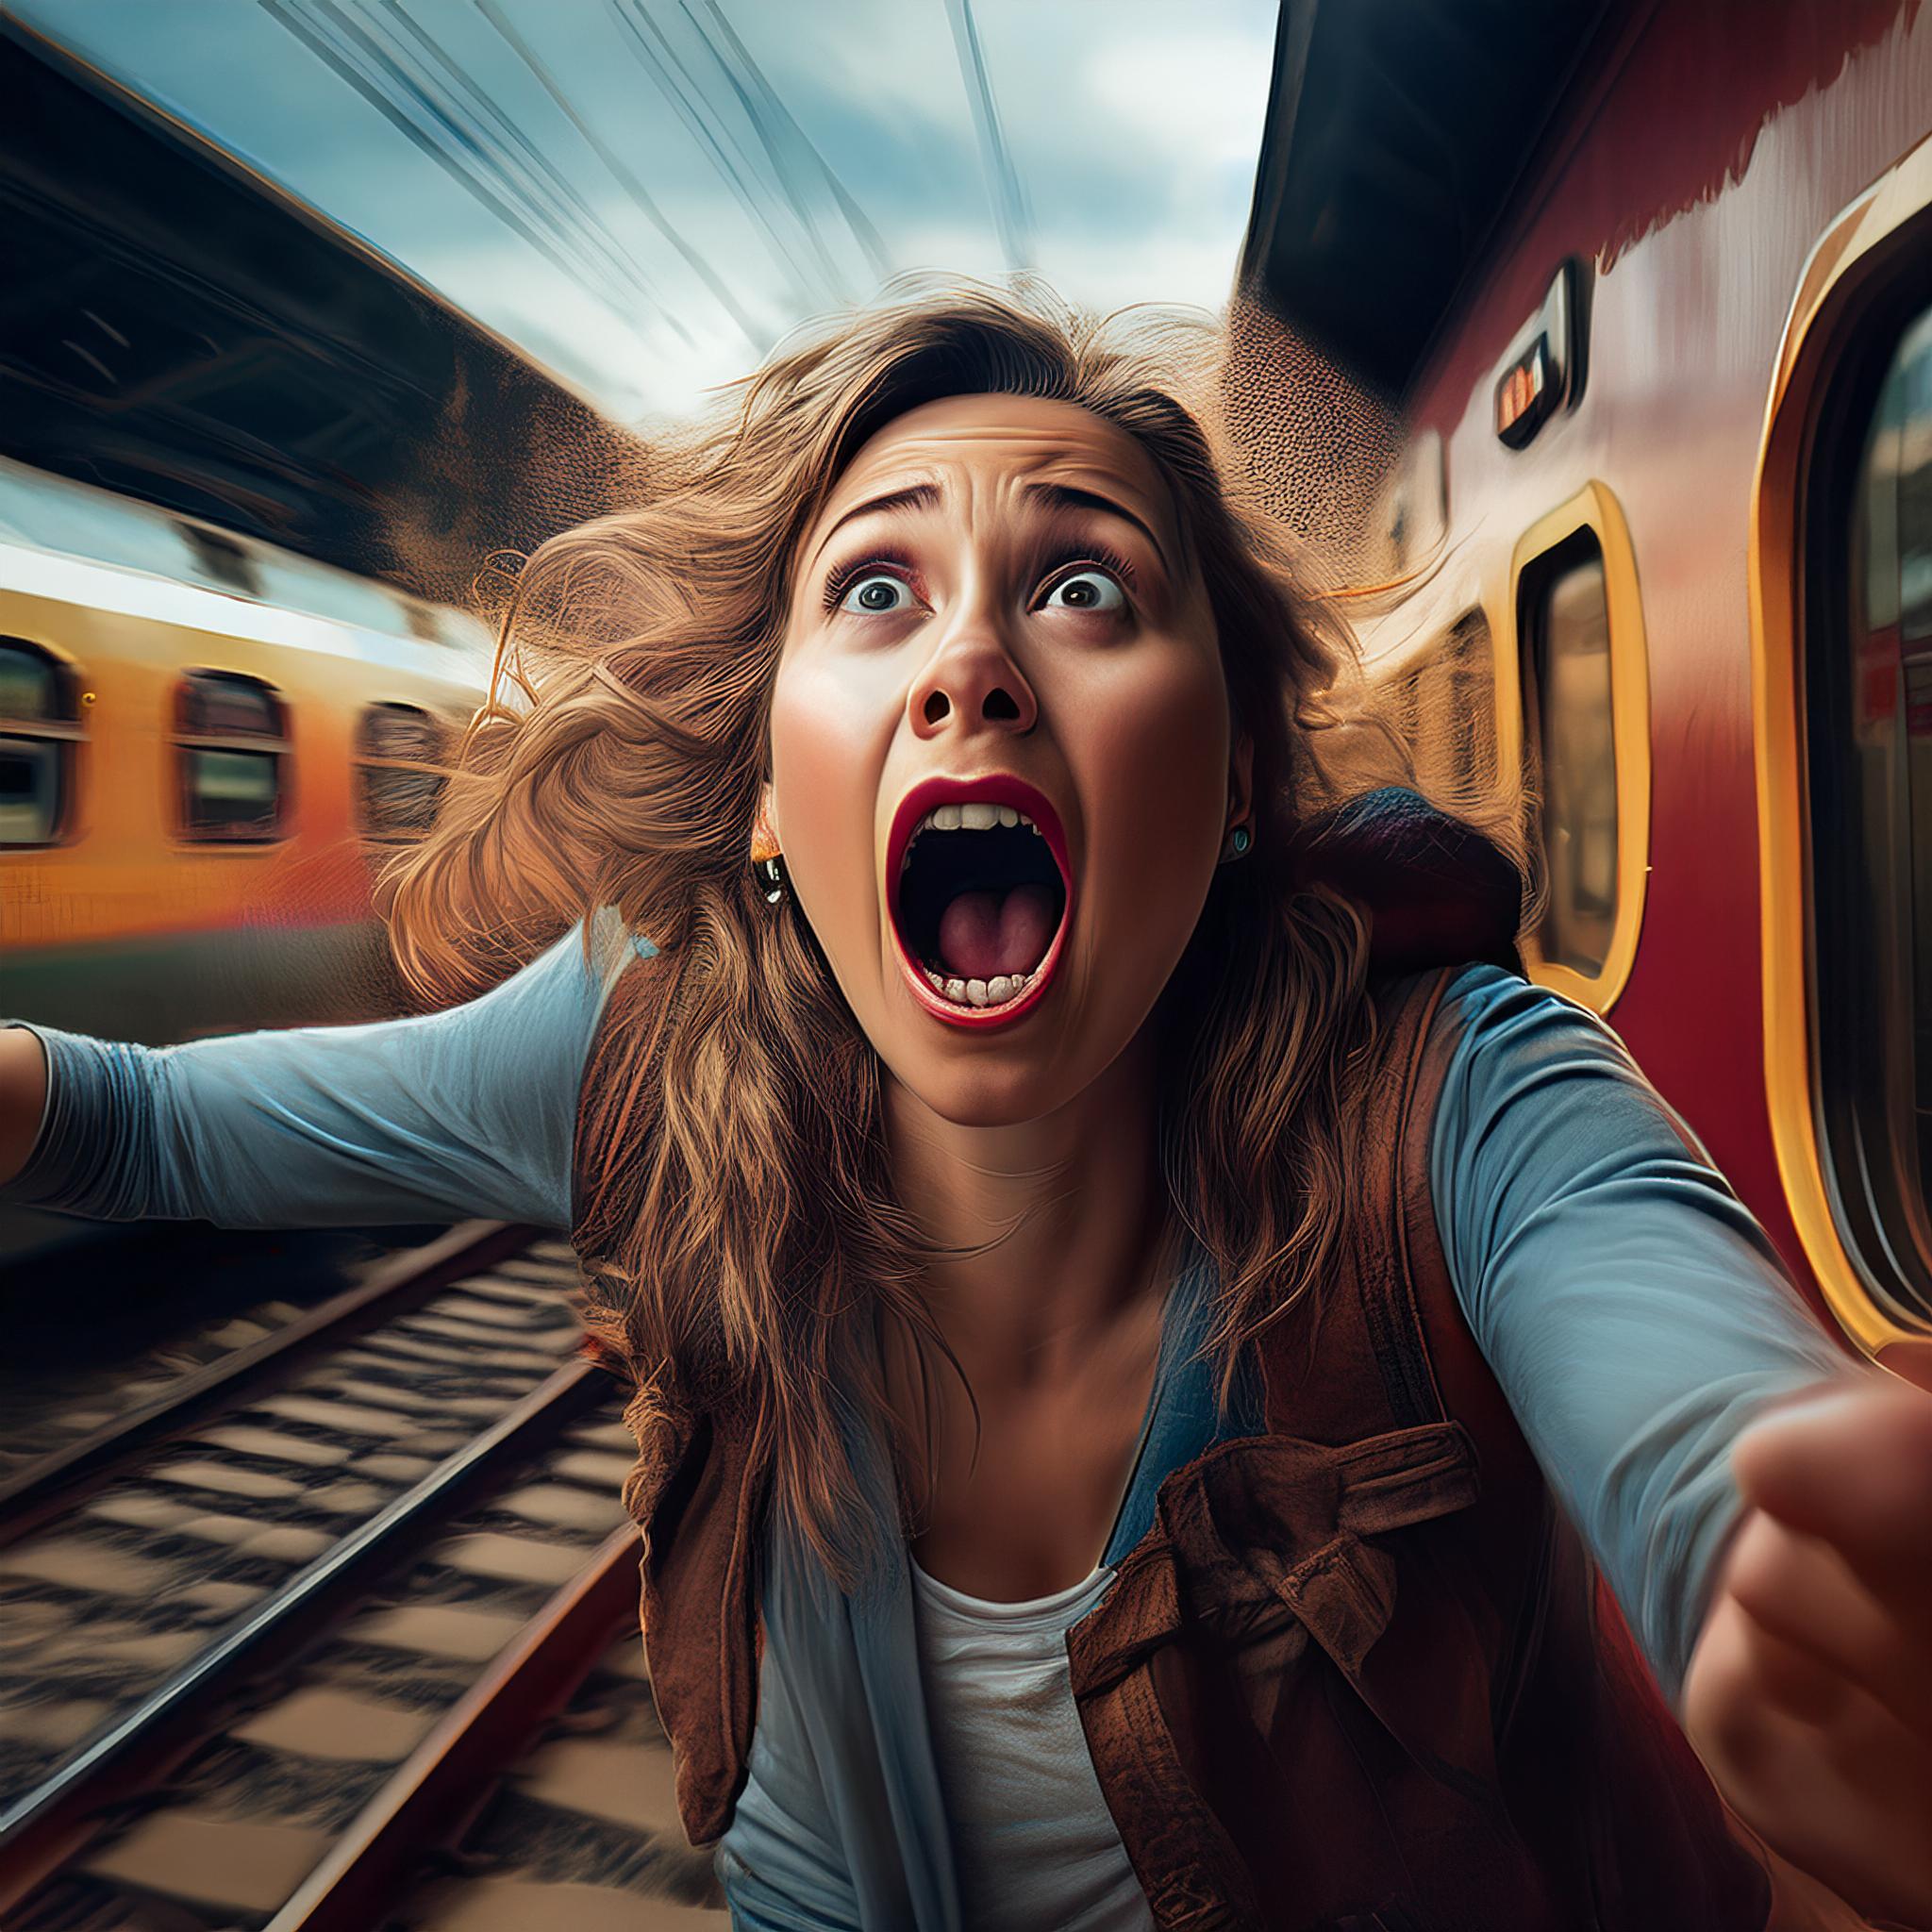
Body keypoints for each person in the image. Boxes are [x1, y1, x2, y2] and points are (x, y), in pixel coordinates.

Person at [4, 284, 1931, 1932]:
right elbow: (137, 1127)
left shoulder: (1464, 1104)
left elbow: (1704, 1426)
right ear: (771, 794)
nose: (972, 663)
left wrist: (1762, 1563)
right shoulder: (636, 1051)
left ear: (1242, 770)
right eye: (875, 589)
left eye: (1082, 583)